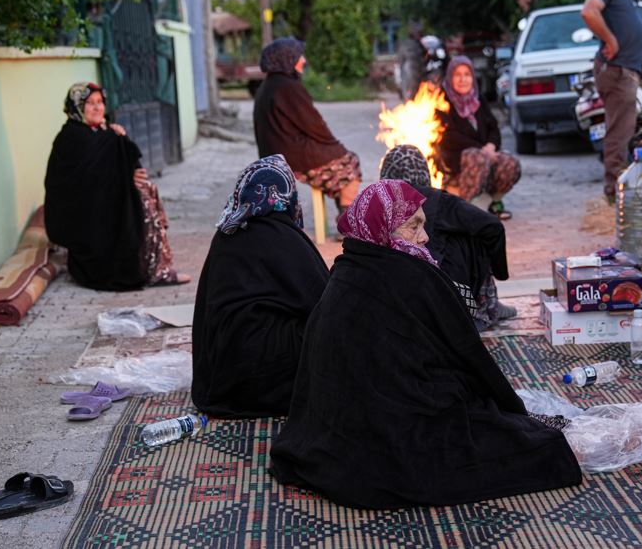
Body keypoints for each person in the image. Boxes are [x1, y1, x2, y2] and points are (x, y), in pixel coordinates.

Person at [270, 180, 582, 509]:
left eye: (423, 223)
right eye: (413, 226)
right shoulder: (412, 275)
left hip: (338, 433)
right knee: (534, 446)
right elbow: (469, 357)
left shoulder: (346, 267)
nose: (425, 237)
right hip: (398, 426)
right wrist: (511, 410)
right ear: (383, 229)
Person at [190, 155, 330, 418]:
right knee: (330, 334)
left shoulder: (226, 233)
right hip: (263, 377)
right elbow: (325, 304)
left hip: (221, 378)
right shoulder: (283, 236)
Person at [44, 82, 190, 290]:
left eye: (100, 102)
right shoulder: (71, 138)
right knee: (137, 204)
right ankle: (152, 271)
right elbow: (78, 185)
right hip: (85, 215)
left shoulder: (101, 131)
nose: (97, 108)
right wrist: (125, 179)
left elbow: (118, 161)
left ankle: (156, 267)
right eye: (90, 103)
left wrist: (118, 138)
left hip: (103, 201)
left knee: (144, 192)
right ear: (77, 107)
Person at [379, 145, 516, 330]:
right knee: (474, 231)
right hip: (440, 292)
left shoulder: (376, 204)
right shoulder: (437, 200)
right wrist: (501, 273)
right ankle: (485, 305)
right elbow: (493, 226)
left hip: (390, 296)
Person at [253, 37, 362, 221]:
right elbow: (314, 124)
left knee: (340, 161)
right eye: (298, 56)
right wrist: (334, 145)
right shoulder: (287, 87)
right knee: (350, 164)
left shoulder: (269, 85)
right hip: (292, 157)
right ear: (286, 59)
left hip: (276, 154)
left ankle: (346, 217)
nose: (303, 60)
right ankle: (348, 223)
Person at [580, 0, 642, 202]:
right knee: (619, 132)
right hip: (617, 72)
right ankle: (615, 194)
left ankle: (619, 188)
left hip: (625, 71)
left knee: (624, 130)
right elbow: (589, 11)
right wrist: (611, 40)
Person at [434, 56, 521, 219]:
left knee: (509, 163)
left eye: (467, 74)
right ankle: (468, 211)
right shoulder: (442, 101)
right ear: (450, 76)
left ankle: (491, 203)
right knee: (478, 158)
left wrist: (491, 146)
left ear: (472, 77)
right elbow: (448, 136)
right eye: (457, 75)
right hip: (455, 162)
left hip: (484, 156)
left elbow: (493, 128)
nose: (462, 79)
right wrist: (482, 150)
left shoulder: (478, 99)